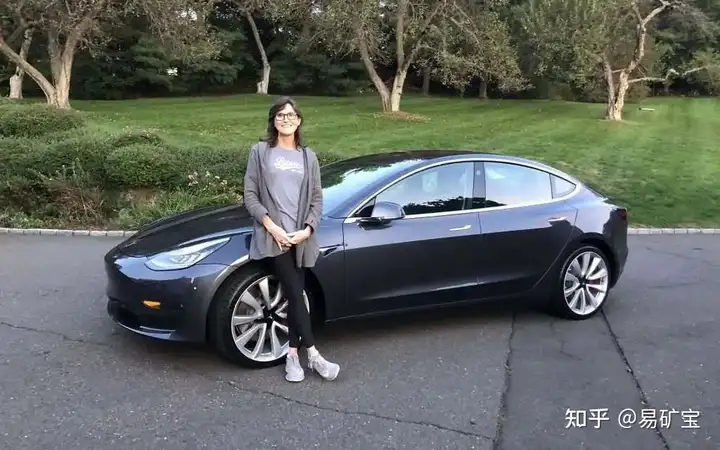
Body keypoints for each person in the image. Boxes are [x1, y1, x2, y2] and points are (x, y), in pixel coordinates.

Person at [243, 96, 340, 383]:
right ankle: (314, 355)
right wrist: (272, 227)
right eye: (280, 115)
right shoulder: (260, 152)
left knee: (295, 295)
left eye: (291, 115)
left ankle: (292, 357)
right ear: (273, 121)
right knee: (296, 294)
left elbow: (317, 199)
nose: (286, 119)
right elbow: (250, 195)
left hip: (300, 238)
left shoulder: (308, 156)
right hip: (274, 237)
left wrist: (308, 230)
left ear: (299, 120)